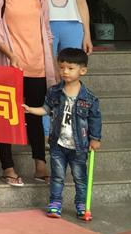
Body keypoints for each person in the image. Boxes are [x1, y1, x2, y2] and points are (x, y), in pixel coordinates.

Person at [0, 0, 57, 185]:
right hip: (10, 65)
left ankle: (40, 163)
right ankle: (8, 166)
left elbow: (46, 29)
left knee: (36, 116)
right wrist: (10, 53)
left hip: (37, 64)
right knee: (6, 115)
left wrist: (52, 63)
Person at [23, 48, 102, 219]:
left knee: (80, 178)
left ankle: (82, 204)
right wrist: (31, 110)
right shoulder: (54, 92)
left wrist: (95, 138)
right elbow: (46, 109)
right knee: (57, 176)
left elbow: (95, 119)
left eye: (70, 68)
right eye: (62, 67)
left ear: (82, 70)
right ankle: (55, 203)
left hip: (79, 146)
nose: (65, 71)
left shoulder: (89, 98)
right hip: (58, 144)